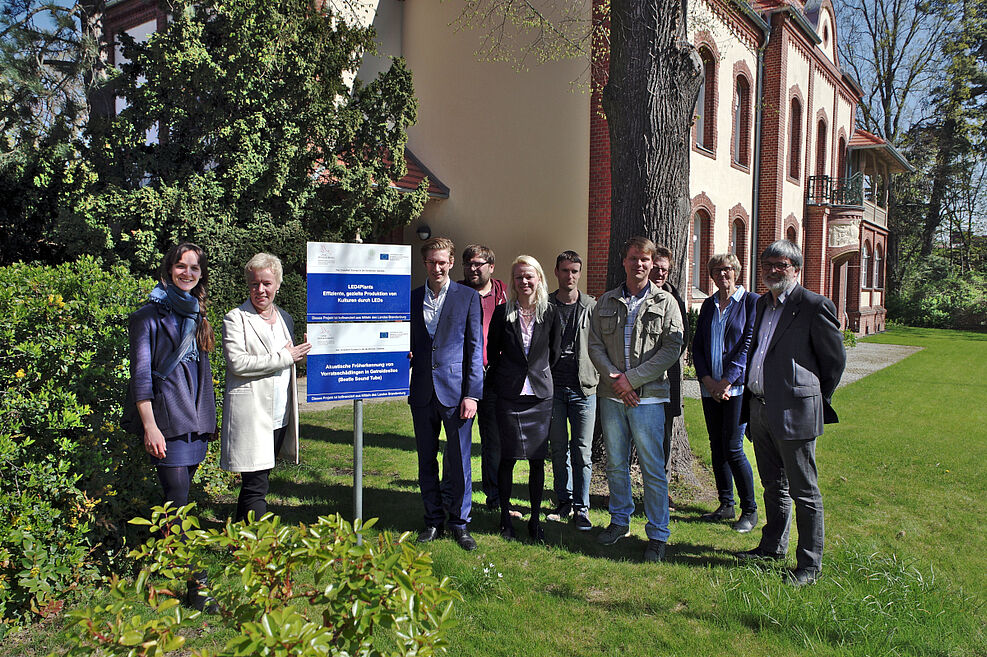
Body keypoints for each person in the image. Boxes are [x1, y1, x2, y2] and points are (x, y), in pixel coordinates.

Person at [737, 240, 846, 586]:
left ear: (796, 268)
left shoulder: (813, 306)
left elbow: (834, 362)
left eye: (780, 265)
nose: (771, 270)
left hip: (795, 412)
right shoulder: (761, 306)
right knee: (772, 486)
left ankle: (809, 566)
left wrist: (810, 397)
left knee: (804, 492)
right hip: (759, 408)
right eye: (767, 263)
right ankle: (772, 547)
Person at [126, 242, 218, 610]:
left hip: (196, 425)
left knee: (175, 504)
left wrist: (209, 422)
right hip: (167, 424)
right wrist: (150, 427)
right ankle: (197, 584)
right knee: (177, 505)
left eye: (195, 268)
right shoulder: (147, 316)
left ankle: (152, 569)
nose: (188, 273)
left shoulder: (196, 313)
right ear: (168, 270)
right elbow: (141, 377)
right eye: (182, 266)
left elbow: (203, 374)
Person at [589, 236, 684, 562]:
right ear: (624, 261)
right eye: (634, 258)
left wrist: (633, 379)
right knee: (615, 464)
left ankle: (658, 534)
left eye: (645, 259)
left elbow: (673, 348)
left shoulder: (666, 302)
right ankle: (619, 522)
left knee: (652, 468)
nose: (639, 264)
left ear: (651, 262)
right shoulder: (606, 301)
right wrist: (617, 380)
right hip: (613, 397)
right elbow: (595, 345)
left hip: (649, 400)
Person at [220, 253, 310, 523]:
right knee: (255, 483)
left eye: (267, 283)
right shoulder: (236, 319)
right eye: (254, 284)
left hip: (279, 414)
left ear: (278, 285)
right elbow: (238, 363)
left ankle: (239, 538)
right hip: (252, 414)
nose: (260, 290)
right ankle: (254, 550)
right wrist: (287, 357)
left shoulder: (285, 318)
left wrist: (301, 355)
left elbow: (287, 358)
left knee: (258, 482)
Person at [409, 237, 484, 551]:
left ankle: (460, 523)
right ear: (425, 263)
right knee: (426, 460)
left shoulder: (467, 297)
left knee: (460, 460)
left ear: (451, 262)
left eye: (442, 262)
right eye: (431, 262)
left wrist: (473, 394)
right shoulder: (412, 298)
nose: (437, 267)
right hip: (423, 391)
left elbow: (475, 348)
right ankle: (432, 520)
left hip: (456, 394)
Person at [487, 255, 561, 541]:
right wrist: (509, 376)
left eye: (529, 276)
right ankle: (505, 518)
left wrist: (537, 375)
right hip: (509, 396)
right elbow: (493, 353)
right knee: (507, 458)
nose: (524, 281)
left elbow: (553, 353)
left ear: (539, 279)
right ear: (513, 281)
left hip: (540, 396)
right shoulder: (502, 313)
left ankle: (534, 520)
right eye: (519, 277)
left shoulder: (550, 313)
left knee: (537, 460)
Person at [691, 253, 759, 532]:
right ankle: (725, 504)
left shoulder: (751, 302)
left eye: (728, 269)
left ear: (737, 272)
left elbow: (748, 344)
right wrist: (708, 381)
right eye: (717, 270)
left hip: (736, 389)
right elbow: (697, 345)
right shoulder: (708, 305)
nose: (722, 274)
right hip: (711, 389)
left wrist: (727, 381)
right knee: (716, 445)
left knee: (733, 446)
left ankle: (750, 510)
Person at [545, 251, 598, 531]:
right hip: (552, 388)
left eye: (575, 271)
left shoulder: (591, 305)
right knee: (558, 449)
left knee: (582, 450)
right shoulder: (547, 304)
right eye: (565, 270)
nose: (570, 276)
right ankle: (563, 501)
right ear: (557, 272)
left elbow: (601, 343)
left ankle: (582, 508)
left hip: (584, 389)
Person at [458, 244, 509, 512]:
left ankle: (495, 498)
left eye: (478, 264)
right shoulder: (455, 294)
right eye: (468, 264)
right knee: (459, 442)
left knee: (494, 442)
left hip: (492, 378)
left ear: (491, 267)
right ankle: (456, 497)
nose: (473, 268)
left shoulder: (504, 296)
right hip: (462, 379)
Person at [648, 246, 687, 511]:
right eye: (656, 267)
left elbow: (681, 342)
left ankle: (660, 493)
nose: (660, 272)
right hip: (634, 383)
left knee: (663, 441)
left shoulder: (675, 299)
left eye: (664, 268)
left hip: (667, 381)